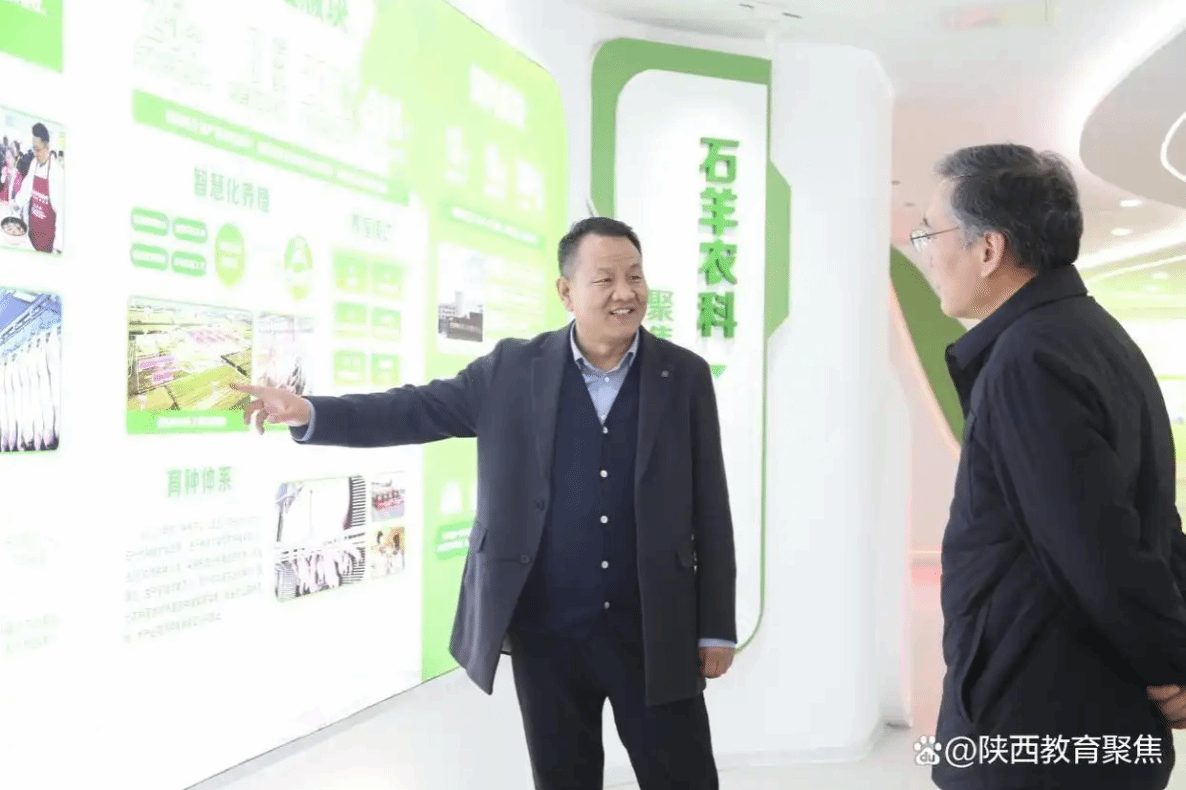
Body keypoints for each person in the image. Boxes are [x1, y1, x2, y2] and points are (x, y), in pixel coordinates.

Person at [232, 217, 737, 789]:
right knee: (563, 779)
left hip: (654, 627)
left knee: (683, 777)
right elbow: (415, 409)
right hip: (548, 631)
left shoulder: (683, 375)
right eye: (605, 280)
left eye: (635, 277)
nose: (625, 293)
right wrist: (310, 413)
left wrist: (716, 627)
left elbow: (711, 506)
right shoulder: (513, 370)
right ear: (566, 291)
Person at [915, 143, 1186, 790]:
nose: (927, 254)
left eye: (931, 234)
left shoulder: (1028, 361)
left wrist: (1169, 665)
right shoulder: (1094, 336)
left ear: (989, 249)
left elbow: (1097, 548)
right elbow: (1155, 523)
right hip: (1085, 712)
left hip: (1038, 719)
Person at [12, 123, 63, 253]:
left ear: (47, 147)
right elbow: (26, 190)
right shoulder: (34, 164)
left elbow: (61, 213)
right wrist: (16, 204)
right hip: (31, 236)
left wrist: (57, 248)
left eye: (38, 150)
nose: (35, 153)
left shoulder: (56, 172)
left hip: (48, 245)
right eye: (33, 149)